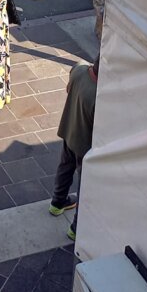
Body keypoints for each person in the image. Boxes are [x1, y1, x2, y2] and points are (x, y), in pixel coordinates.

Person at [50, 56, 100, 242]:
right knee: (84, 186)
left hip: (68, 130)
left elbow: (72, 78)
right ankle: (76, 228)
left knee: (64, 167)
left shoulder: (79, 71)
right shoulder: (99, 95)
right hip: (85, 145)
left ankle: (57, 203)